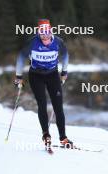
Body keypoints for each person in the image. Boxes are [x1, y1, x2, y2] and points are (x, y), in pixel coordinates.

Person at [14, 19, 73, 148]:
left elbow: (65, 56)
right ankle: (46, 134)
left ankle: (63, 138)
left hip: (52, 75)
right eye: (42, 34)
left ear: (50, 32)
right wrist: (18, 76)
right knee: (42, 104)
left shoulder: (58, 42)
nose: (45, 37)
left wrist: (64, 72)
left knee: (58, 107)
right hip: (36, 76)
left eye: (47, 34)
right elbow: (21, 58)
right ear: (38, 33)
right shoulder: (32, 42)